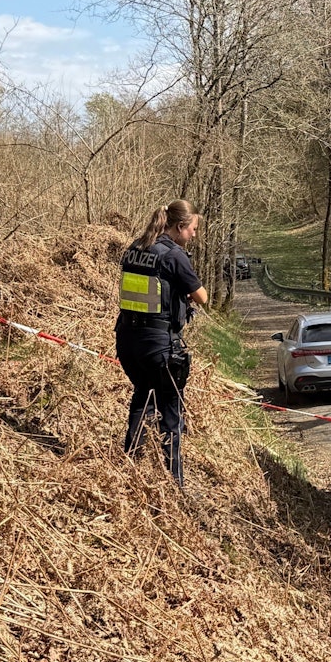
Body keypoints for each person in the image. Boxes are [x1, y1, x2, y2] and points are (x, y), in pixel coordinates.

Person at [115, 200, 208, 488]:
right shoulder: (173, 256)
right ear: (180, 227)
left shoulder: (135, 248)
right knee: (171, 409)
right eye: (192, 229)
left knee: (143, 395)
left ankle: (129, 466)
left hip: (127, 341)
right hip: (159, 345)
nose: (193, 235)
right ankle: (174, 483)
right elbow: (202, 297)